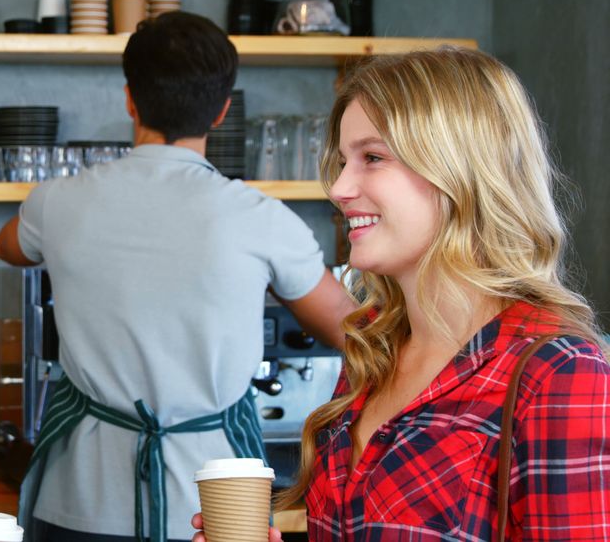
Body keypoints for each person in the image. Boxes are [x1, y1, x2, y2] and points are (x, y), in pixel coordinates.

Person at [193, 46, 610, 541]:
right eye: (344, 160)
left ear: (459, 171)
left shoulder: (559, 373)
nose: (339, 187)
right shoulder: (373, 348)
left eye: (372, 158)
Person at [0, 11, 354, 542]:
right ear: (223, 110)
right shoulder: (262, 219)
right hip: (215, 510)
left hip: (78, 499)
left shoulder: (57, 203)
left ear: (129, 99)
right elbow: (356, 332)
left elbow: (7, 247)